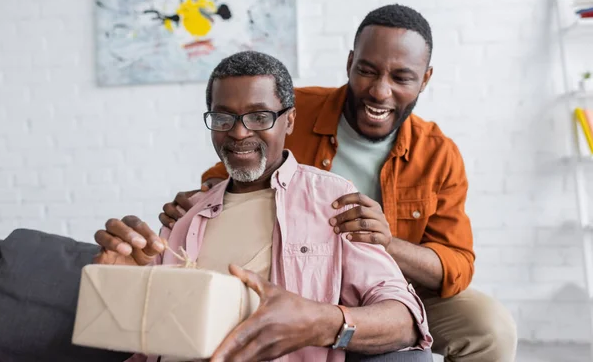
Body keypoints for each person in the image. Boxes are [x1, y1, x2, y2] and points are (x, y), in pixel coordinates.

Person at [160, 5, 517, 362]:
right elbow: (237, 159)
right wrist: (197, 200)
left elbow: (456, 264)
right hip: (305, 279)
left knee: (489, 328)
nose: (380, 91)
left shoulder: (438, 153)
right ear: (350, 64)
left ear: (424, 79)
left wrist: (386, 243)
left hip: (398, 287)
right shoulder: (293, 112)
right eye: (367, 71)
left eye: (401, 77)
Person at [95, 51, 433, 362]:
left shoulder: (332, 200)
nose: (239, 133)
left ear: (289, 121)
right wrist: (117, 282)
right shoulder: (185, 214)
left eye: (259, 117)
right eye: (223, 118)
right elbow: (136, 334)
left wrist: (320, 323)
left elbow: (404, 320)